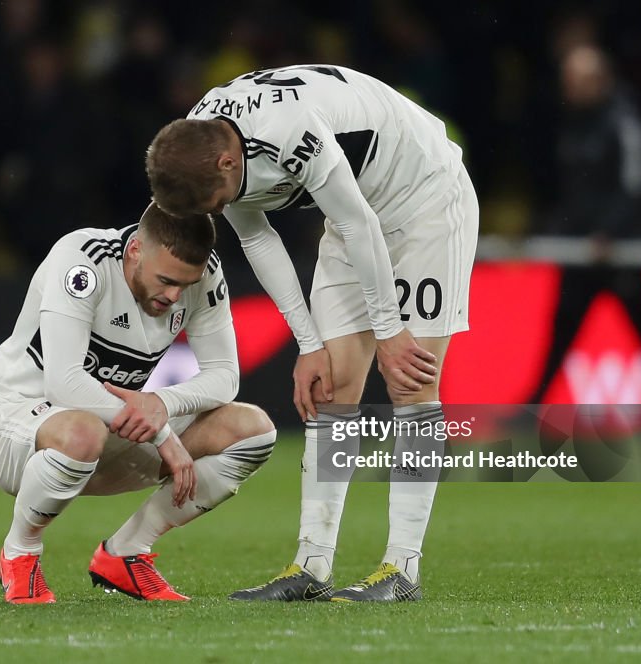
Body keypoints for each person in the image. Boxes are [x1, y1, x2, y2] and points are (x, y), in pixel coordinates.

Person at [146, 64, 479, 602]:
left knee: (411, 383)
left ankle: (403, 570)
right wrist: (307, 342)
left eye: (219, 200)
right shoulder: (202, 142)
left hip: (424, 197)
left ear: (229, 162)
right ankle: (312, 565)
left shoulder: (288, 130)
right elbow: (258, 239)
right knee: (332, 387)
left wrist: (390, 330)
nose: (222, 210)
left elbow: (356, 223)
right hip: (356, 211)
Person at [0, 202, 276, 603]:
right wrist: (163, 432)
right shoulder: (83, 260)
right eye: (166, 280)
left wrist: (161, 403)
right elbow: (64, 383)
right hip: (15, 428)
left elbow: (225, 375)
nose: (174, 295)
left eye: (185, 285)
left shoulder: (202, 275)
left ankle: (127, 553)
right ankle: (20, 552)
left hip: (111, 435)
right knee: (82, 429)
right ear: (135, 249)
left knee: (252, 429)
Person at [531, 44, 641, 404]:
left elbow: (635, 184)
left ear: (600, 80)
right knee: (562, 328)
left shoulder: (624, 121)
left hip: (617, 250)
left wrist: (609, 231)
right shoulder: (573, 123)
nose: (570, 88)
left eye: (576, 81)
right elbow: (574, 192)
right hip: (581, 251)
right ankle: (535, 400)